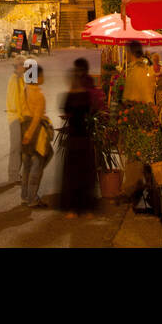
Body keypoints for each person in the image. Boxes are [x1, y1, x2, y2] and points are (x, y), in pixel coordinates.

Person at [59, 60, 98, 217]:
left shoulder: (70, 96)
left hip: (75, 137)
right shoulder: (84, 95)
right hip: (83, 137)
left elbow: (66, 114)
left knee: (74, 174)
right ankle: (85, 207)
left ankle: (74, 208)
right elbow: (91, 112)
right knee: (84, 173)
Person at [20, 65, 52, 208]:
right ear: (37, 77)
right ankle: (32, 198)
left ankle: (25, 196)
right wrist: (30, 133)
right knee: (37, 163)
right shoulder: (39, 94)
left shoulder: (25, 91)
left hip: (24, 126)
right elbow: (37, 117)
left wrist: (24, 132)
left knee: (27, 165)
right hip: (35, 131)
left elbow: (21, 111)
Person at [6, 61, 29, 183]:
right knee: (16, 148)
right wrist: (23, 118)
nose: (25, 68)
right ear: (18, 66)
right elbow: (16, 101)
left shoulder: (20, 78)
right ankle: (13, 177)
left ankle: (16, 175)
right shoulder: (15, 80)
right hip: (15, 117)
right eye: (23, 66)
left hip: (18, 116)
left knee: (20, 147)